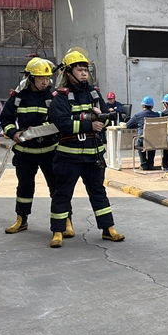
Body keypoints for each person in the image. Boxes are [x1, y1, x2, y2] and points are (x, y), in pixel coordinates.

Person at [48, 48, 124, 248]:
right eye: (79, 70)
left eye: (85, 70)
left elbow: (106, 118)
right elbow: (62, 123)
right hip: (68, 156)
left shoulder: (94, 93)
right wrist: (89, 124)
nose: (84, 73)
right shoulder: (60, 97)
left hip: (93, 155)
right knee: (62, 194)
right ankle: (58, 231)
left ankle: (108, 229)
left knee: (98, 192)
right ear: (68, 72)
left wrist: (101, 118)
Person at [0, 58, 59, 235]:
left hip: (49, 152)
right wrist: (13, 133)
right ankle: (21, 219)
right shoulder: (18, 98)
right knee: (24, 187)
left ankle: (65, 220)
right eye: (40, 78)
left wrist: (41, 129)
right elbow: (6, 119)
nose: (45, 82)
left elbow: (60, 121)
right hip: (24, 154)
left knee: (57, 188)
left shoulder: (53, 98)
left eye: (47, 78)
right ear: (31, 78)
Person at [125, 96, 161, 171]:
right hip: (154, 140)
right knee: (152, 141)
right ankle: (150, 164)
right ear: (152, 106)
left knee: (139, 142)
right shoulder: (157, 115)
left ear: (143, 106)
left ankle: (143, 164)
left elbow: (128, 125)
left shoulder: (138, 115)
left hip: (143, 139)